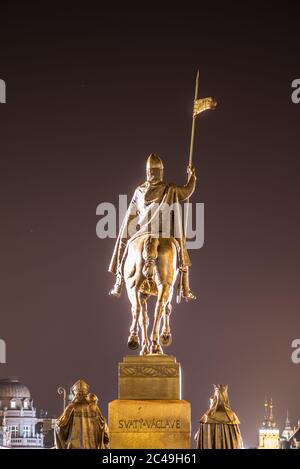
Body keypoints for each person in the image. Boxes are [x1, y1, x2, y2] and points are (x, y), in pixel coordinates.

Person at [109, 153, 196, 301]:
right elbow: (187, 191)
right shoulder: (170, 189)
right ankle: (185, 288)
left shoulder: (139, 191)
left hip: (142, 233)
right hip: (164, 233)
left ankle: (118, 282)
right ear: (160, 172)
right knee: (181, 251)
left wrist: (127, 234)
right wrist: (192, 176)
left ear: (148, 172)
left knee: (125, 243)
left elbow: (130, 217)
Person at [54, 379, 109, 449]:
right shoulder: (94, 408)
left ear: (75, 394)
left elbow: (59, 427)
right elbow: (103, 425)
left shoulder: (71, 408)